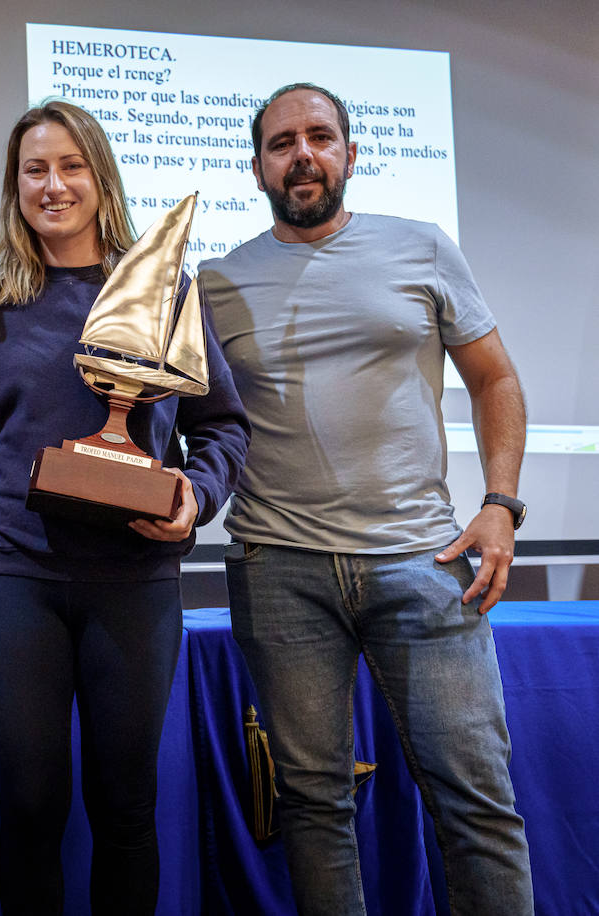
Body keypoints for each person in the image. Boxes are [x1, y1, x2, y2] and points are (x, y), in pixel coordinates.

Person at [199, 82, 533, 915]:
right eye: (282, 143)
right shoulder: (216, 281)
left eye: (319, 137)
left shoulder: (421, 246)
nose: (302, 155)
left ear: (350, 154)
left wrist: (501, 502)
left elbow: (494, 378)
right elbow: (198, 423)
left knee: (476, 800)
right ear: (257, 166)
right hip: (279, 570)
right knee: (313, 807)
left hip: (423, 562)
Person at [0, 100, 249, 914]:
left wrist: (196, 495)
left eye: (71, 166)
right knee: (30, 807)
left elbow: (222, 425)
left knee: (124, 809)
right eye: (34, 171)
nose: (53, 186)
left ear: (101, 177)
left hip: (136, 581)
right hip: (19, 577)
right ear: (15, 188)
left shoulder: (162, 291)